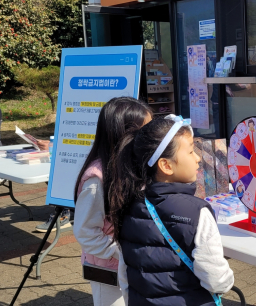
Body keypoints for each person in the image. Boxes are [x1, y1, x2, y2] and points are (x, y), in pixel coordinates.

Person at [108, 116, 234, 305]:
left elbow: (125, 274)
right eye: (191, 151)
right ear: (166, 165)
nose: (198, 158)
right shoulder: (197, 212)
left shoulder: (127, 204)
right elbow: (217, 280)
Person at [71, 97, 152, 306]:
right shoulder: (96, 180)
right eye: (144, 132)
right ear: (123, 134)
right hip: (106, 269)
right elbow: (85, 232)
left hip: (131, 263)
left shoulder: (134, 164)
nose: (149, 138)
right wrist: (123, 252)